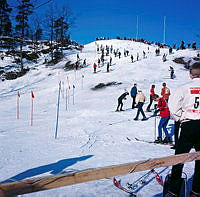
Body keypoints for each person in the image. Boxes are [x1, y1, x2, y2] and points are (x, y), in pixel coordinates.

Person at [165, 62, 200, 197]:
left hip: (188, 125)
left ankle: (174, 190)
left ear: (190, 74)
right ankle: (196, 190)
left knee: (179, 157)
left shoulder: (183, 88)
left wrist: (180, 118)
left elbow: (173, 108)